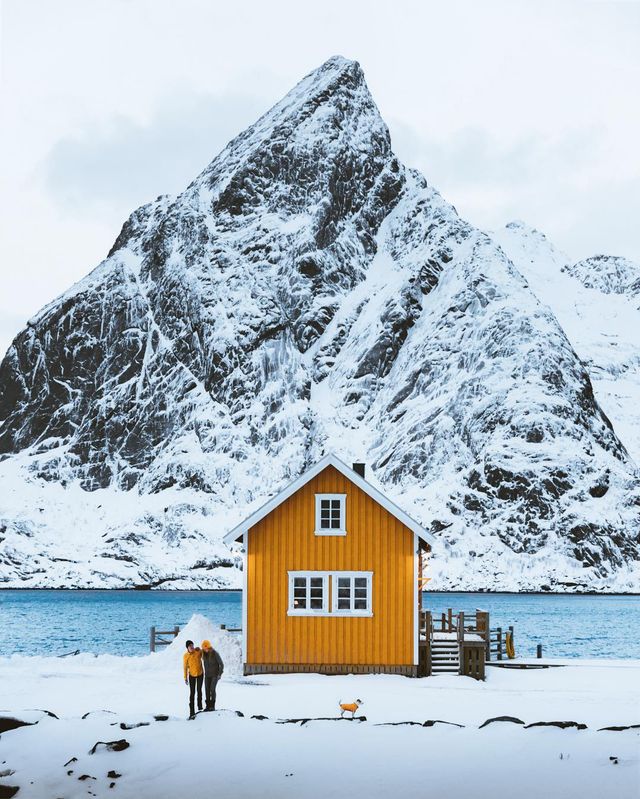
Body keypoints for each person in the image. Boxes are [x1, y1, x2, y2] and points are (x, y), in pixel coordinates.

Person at [201, 639, 224, 711]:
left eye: (207, 648)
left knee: (212, 689)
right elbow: (196, 652)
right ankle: (208, 706)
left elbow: (221, 664)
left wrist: (219, 674)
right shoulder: (203, 654)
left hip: (215, 675)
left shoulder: (215, 653)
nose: (206, 649)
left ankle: (212, 706)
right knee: (207, 690)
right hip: (207, 675)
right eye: (204, 648)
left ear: (209, 647)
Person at [183, 639, 204, 719]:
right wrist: (185, 677)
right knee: (192, 693)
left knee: (199, 690)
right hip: (192, 675)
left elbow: (204, 654)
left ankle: (200, 706)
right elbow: (185, 667)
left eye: (192, 645)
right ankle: (192, 711)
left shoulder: (197, 652)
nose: (191, 647)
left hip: (200, 674)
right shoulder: (186, 656)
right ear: (187, 647)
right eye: (190, 646)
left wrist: (201, 649)